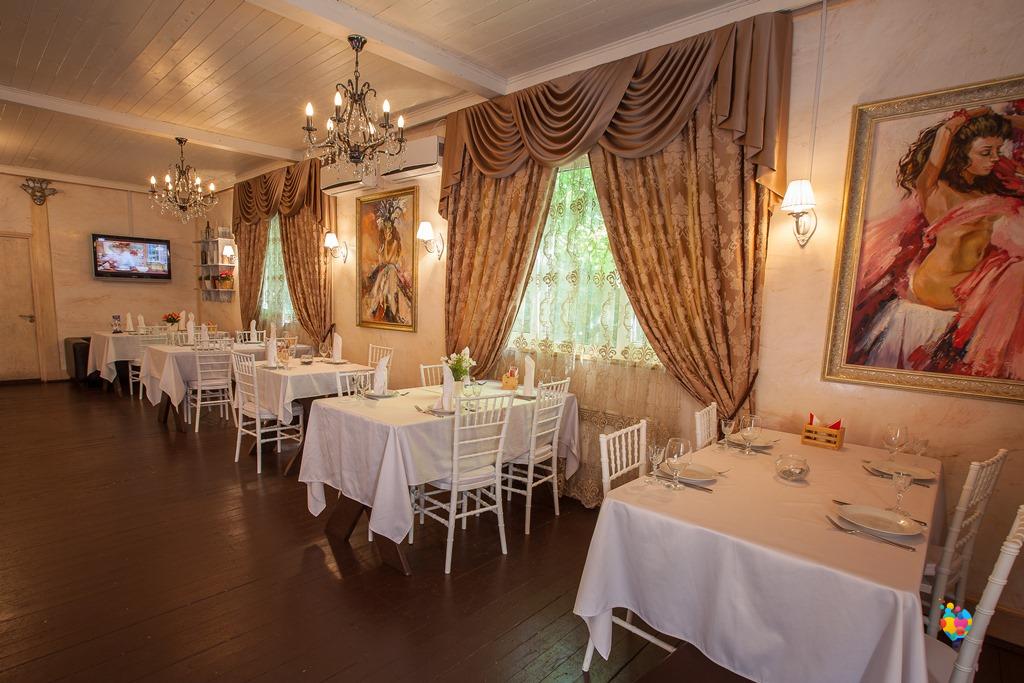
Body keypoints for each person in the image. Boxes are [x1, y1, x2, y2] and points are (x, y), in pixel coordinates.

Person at [849, 104, 1024, 379]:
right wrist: (977, 115)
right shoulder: (933, 189)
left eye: (997, 151)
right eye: (985, 152)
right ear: (960, 152)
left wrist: (1000, 119)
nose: (994, 159)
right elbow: (946, 131)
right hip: (934, 286)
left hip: (970, 288)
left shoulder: (988, 192)